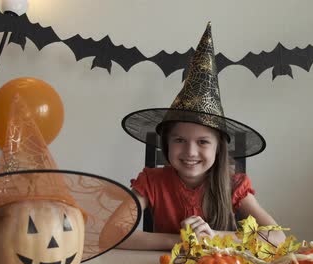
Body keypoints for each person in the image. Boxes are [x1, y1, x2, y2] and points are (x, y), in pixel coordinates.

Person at [118, 22, 284, 250]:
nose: (190, 151)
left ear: (218, 147)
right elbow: (113, 234)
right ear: (166, 144)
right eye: (179, 140)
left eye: (203, 141)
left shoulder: (234, 185)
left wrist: (213, 237)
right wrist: (182, 241)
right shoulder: (152, 182)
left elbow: (277, 238)